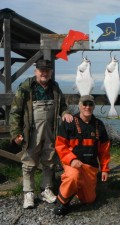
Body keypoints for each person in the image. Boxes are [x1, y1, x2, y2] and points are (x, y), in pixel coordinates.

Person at [9, 59, 73, 209]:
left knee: (49, 161)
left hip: (51, 130)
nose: (44, 73)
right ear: (35, 71)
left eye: (47, 71)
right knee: (29, 162)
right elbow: (15, 112)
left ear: (50, 72)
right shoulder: (26, 87)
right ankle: (28, 192)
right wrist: (15, 133)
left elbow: (63, 106)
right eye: (41, 70)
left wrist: (65, 113)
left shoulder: (55, 87)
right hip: (31, 131)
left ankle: (46, 189)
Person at [54, 95, 111, 216]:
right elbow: (60, 146)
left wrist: (105, 169)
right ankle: (62, 202)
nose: (87, 107)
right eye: (84, 104)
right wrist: (72, 160)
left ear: (94, 107)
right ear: (79, 106)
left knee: (89, 199)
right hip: (72, 164)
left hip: (90, 166)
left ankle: (75, 187)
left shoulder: (99, 125)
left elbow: (104, 150)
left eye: (90, 104)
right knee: (73, 176)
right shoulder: (68, 122)